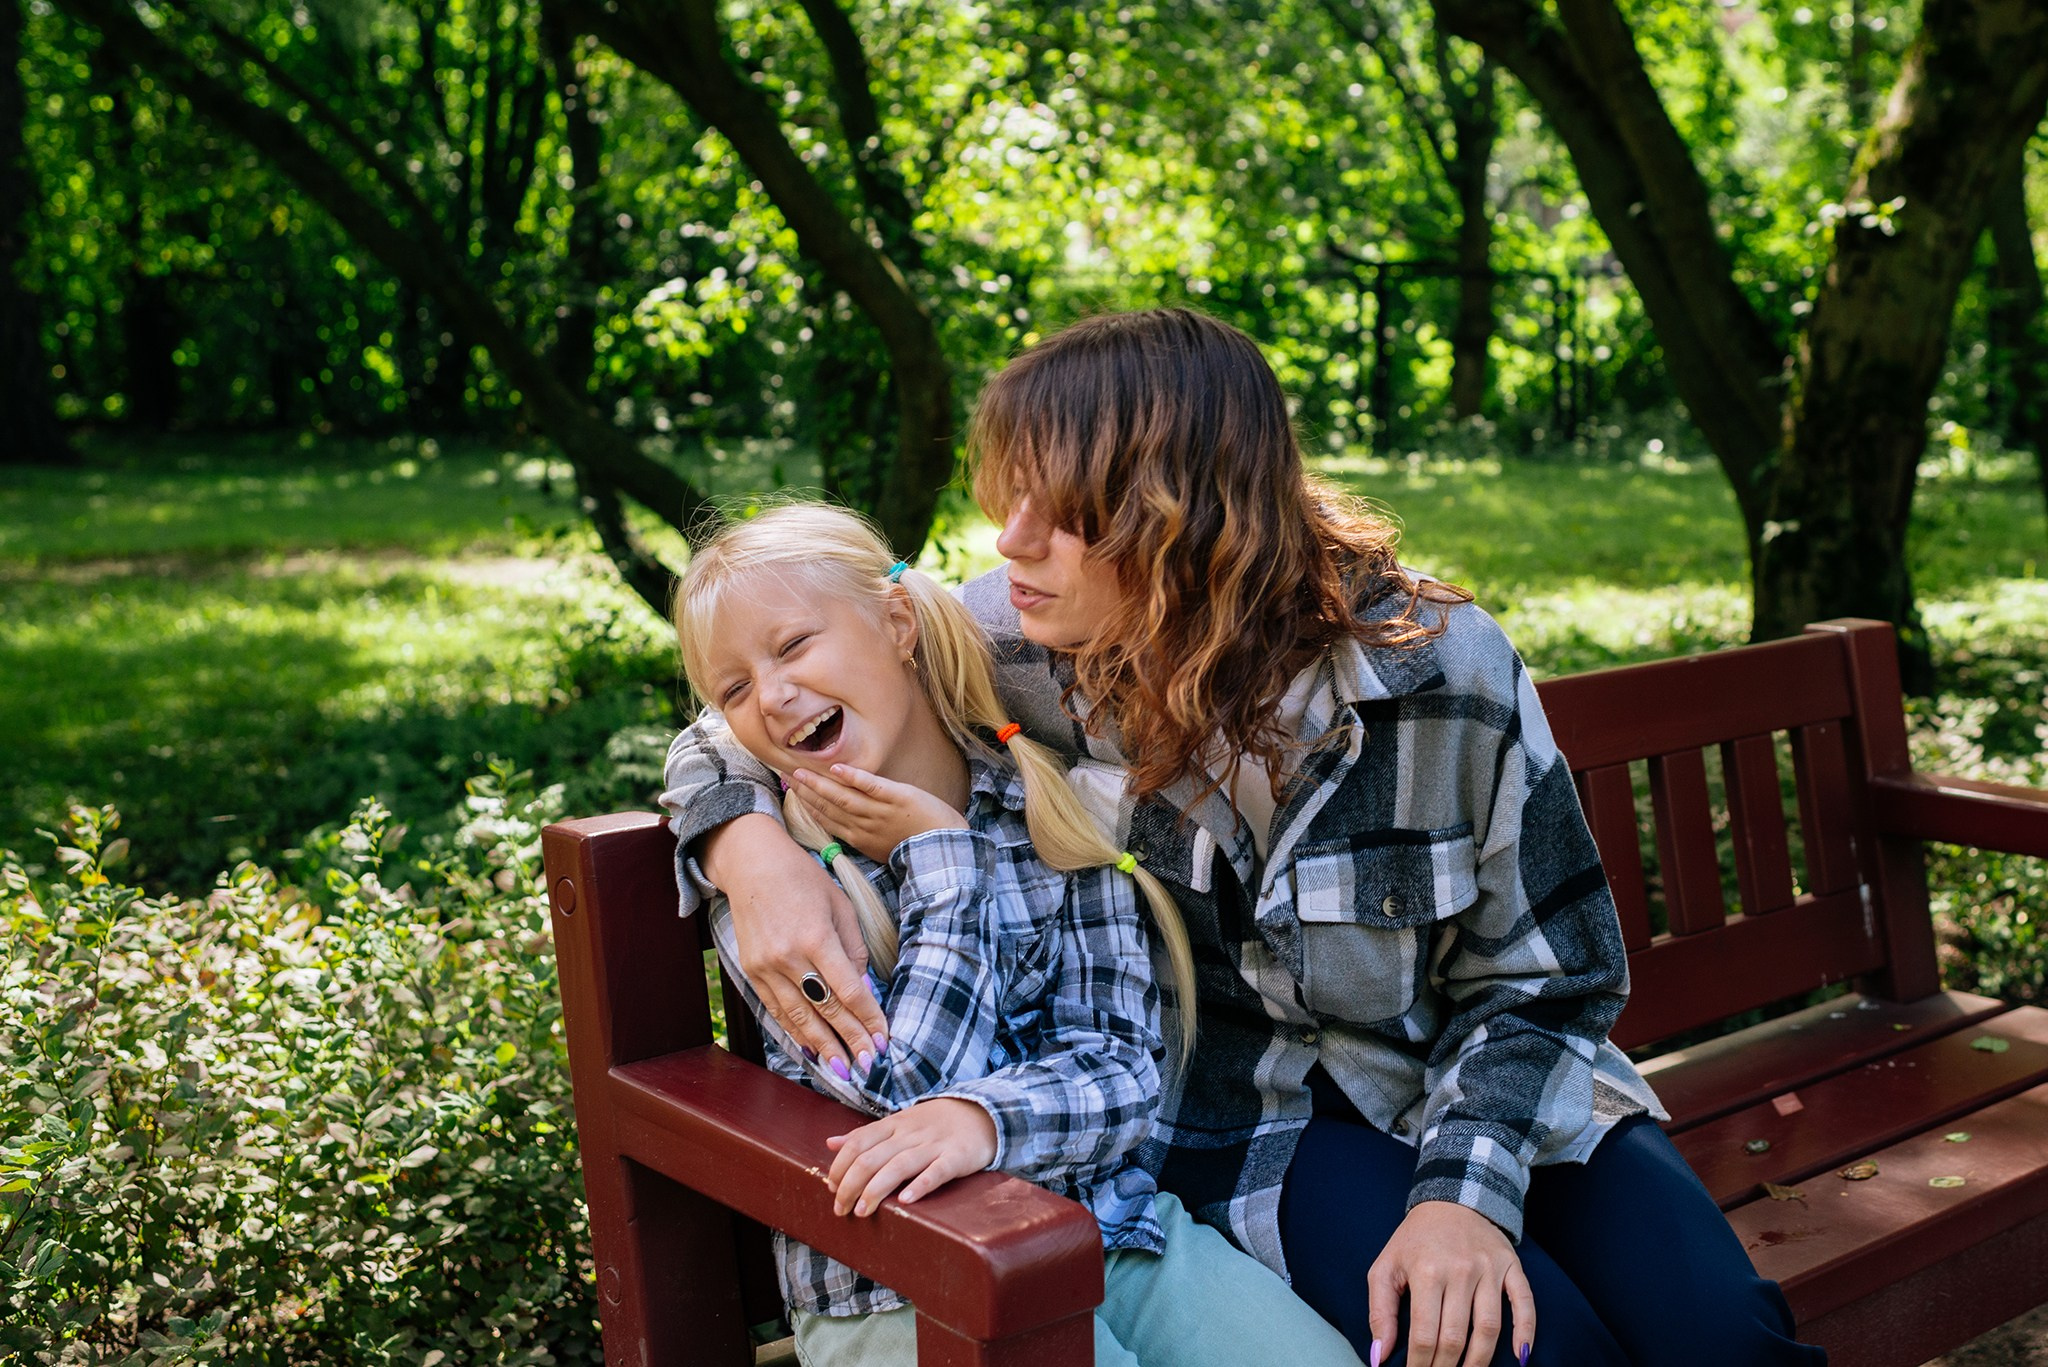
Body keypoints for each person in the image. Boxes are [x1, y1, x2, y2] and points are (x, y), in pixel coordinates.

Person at [664, 309, 1827, 1367]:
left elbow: (1547, 975)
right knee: (1526, 1353)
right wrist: (745, 848)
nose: (1007, 540)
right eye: (1001, 496)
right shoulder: (1022, 634)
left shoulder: (1439, 670)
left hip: (1490, 1076)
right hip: (1256, 1117)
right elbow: (766, 696)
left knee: (1724, 1341)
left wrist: (1463, 1195)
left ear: (1184, 507)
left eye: (1056, 508)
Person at [666, 502, 1366, 1367]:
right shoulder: (783, 889)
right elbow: (900, 1086)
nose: (770, 695)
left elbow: (1120, 1066)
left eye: (794, 645)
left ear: (896, 623)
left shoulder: (1045, 808)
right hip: (895, 1277)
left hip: (1109, 1229)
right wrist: (941, 864)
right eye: (732, 688)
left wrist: (984, 1122)